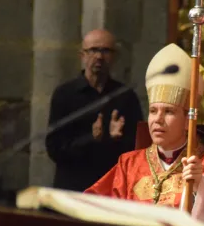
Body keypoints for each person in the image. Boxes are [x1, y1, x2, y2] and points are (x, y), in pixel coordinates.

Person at [85, 43, 204, 226]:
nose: (157, 119)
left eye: (168, 111)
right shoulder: (128, 165)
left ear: (188, 121)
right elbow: (92, 208)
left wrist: (201, 186)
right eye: (153, 111)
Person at [46, 29, 143, 192]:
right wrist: (91, 139)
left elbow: (138, 151)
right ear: (82, 55)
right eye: (93, 50)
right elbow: (54, 149)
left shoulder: (125, 96)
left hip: (111, 190)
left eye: (105, 50)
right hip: (73, 189)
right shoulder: (65, 94)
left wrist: (115, 139)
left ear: (115, 57)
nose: (99, 56)